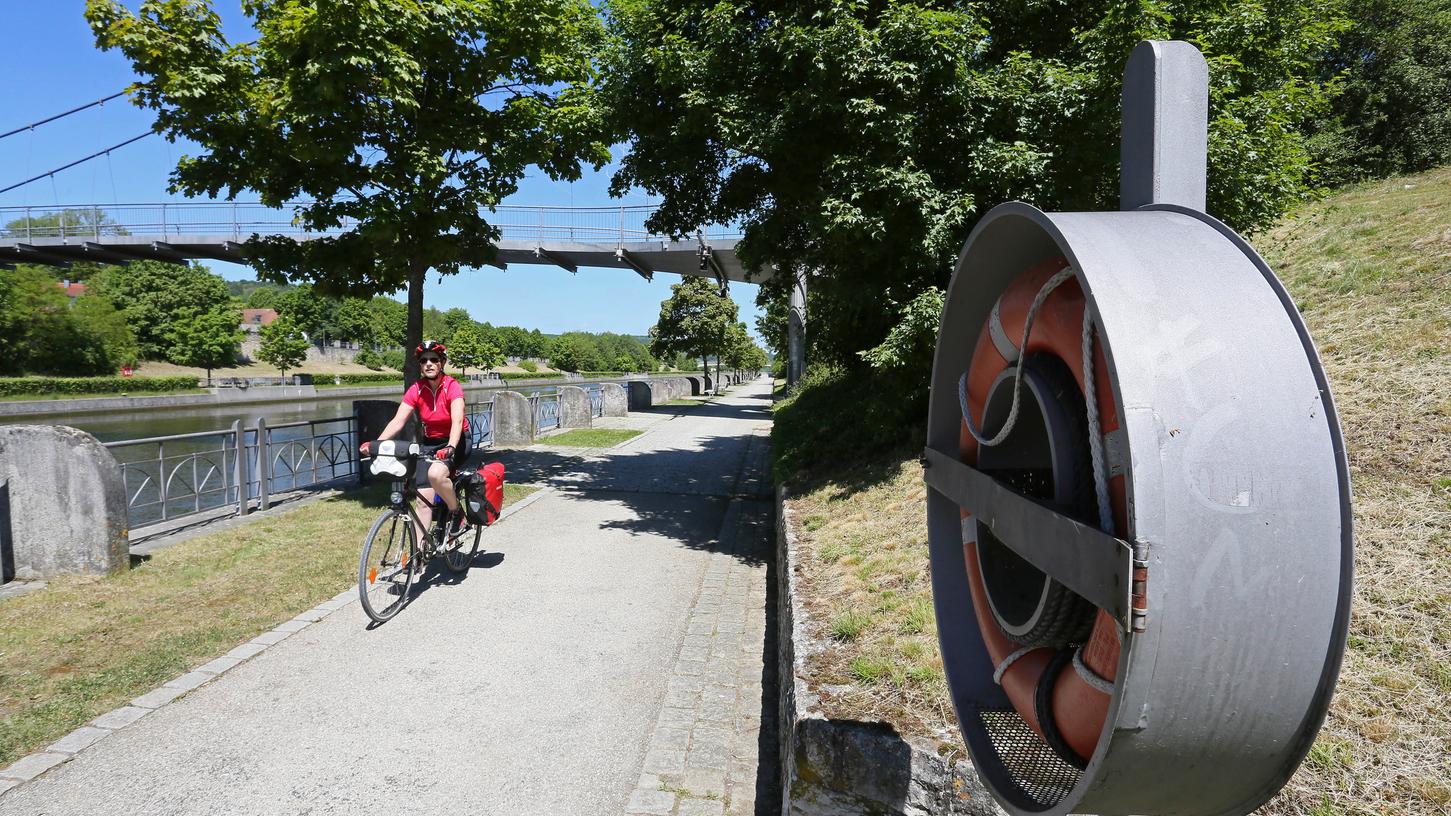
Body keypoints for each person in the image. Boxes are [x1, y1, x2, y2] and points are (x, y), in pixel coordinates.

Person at [363, 340, 472, 539]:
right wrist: (376, 444)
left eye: (434, 359)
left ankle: (457, 513)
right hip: (431, 442)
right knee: (422, 500)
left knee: (437, 475)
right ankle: (418, 554)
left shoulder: (452, 387)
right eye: (424, 361)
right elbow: (398, 421)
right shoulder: (417, 389)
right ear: (420, 365)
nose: (428, 364)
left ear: (442, 363)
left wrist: (450, 446)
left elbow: (457, 421)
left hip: (457, 440)